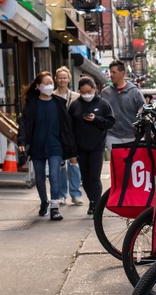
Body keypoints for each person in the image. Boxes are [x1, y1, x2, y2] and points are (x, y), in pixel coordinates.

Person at [17, 71, 76, 221]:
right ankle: (44, 201)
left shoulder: (58, 103)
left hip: (55, 145)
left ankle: (54, 207)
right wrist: (22, 142)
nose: (50, 86)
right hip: (37, 145)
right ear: (38, 86)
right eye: (46, 83)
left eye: (51, 83)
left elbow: (67, 125)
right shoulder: (32, 104)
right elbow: (24, 124)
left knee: (54, 175)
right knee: (39, 176)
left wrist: (70, 145)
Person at [68, 76, 116, 215]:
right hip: (81, 147)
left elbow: (110, 122)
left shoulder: (103, 104)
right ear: (79, 91)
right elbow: (69, 127)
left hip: (97, 146)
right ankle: (92, 200)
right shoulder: (75, 105)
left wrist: (96, 119)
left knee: (94, 176)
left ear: (94, 89)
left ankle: (95, 203)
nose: (87, 95)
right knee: (86, 177)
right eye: (83, 92)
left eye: (89, 91)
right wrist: (71, 149)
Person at [52, 66, 83, 207]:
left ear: (69, 79)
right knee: (60, 164)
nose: (62, 80)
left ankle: (76, 194)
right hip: (57, 134)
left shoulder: (76, 97)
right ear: (55, 79)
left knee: (74, 163)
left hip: (73, 135)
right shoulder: (52, 96)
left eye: (65, 77)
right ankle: (62, 194)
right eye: (60, 77)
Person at [100, 60, 146, 151]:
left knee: (130, 163)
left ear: (122, 73)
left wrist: (143, 131)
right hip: (112, 135)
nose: (111, 75)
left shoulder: (134, 92)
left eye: (114, 72)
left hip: (131, 135)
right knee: (117, 163)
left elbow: (143, 111)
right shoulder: (105, 93)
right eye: (110, 72)